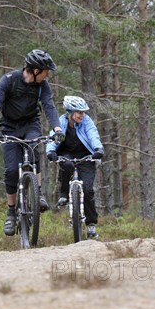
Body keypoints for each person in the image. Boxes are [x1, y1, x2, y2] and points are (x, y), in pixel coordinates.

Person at [0, 49, 65, 236]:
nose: (48, 75)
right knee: (12, 170)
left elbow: (49, 106)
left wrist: (57, 128)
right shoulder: (9, 80)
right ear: (35, 70)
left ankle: (38, 193)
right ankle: (11, 212)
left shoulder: (42, 85)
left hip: (31, 124)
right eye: (46, 71)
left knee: (34, 148)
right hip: (9, 127)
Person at [46, 96, 104, 239]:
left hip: (86, 156)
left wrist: (98, 149)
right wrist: (50, 151)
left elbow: (92, 134)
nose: (82, 115)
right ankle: (64, 194)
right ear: (70, 112)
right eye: (79, 112)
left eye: (83, 112)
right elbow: (54, 136)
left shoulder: (87, 122)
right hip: (67, 154)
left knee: (88, 190)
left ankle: (91, 225)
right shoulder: (61, 121)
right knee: (66, 164)